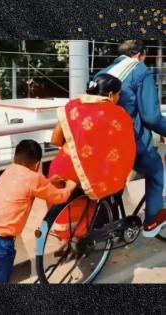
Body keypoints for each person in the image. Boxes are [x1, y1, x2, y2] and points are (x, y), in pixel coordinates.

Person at [0, 139, 77, 284]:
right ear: (37, 164)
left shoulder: (8, 171)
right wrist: (70, 187)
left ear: (15, 157)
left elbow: (26, 187)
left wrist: (49, 181)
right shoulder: (34, 179)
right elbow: (60, 197)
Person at [48, 73, 137, 242]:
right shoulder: (119, 114)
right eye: (118, 94)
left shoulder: (71, 107)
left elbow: (55, 140)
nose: (119, 98)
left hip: (61, 166)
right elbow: (125, 150)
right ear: (111, 95)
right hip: (87, 174)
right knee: (104, 189)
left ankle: (66, 237)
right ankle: (84, 238)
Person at [95, 40, 166, 237]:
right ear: (140, 54)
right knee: (156, 171)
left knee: (110, 181)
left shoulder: (104, 71)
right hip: (130, 140)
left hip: (100, 140)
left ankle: (104, 224)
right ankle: (152, 223)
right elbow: (151, 117)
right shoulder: (140, 70)